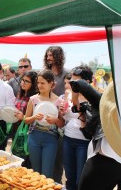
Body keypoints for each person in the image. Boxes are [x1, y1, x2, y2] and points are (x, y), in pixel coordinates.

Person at [24, 70, 64, 178]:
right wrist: (34, 117)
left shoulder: (59, 101)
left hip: (50, 140)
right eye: (38, 82)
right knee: (36, 172)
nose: (39, 85)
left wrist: (55, 120)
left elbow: (62, 124)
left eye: (43, 83)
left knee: (47, 173)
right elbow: (26, 119)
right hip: (34, 138)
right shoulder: (33, 99)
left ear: (51, 84)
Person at [59, 71, 91, 190]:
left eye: (75, 82)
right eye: (71, 81)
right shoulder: (69, 96)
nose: (72, 85)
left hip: (83, 142)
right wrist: (62, 112)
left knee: (80, 178)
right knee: (70, 175)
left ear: (86, 82)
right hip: (68, 138)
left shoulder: (92, 98)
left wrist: (81, 112)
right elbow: (65, 119)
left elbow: (93, 124)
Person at [43, 46, 69, 183]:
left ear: (59, 56)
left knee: (58, 159)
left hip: (60, 120)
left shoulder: (66, 74)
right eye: (47, 55)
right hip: (44, 119)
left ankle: (56, 184)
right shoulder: (45, 72)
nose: (48, 58)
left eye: (51, 55)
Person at [13, 70, 38, 162]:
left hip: (28, 132)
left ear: (34, 84)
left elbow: (35, 117)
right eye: (22, 80)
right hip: (18, 129)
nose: (23, 83)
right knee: (17, 158)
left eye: (26, 81)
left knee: (25, 160)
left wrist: (23, 117)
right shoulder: (21, 94)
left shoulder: (35, 98)